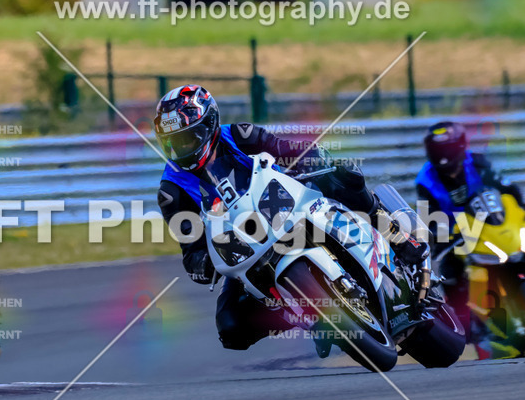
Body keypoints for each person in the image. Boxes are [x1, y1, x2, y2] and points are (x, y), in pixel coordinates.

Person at [153, 84, 427, 353]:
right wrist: (206, 262)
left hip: (287, 202)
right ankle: (308, 315)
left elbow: (285, 148)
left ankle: (397, 235)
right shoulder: (172, 191)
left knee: (344, 177)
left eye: (187, 138)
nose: (181, 148)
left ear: (209, 125)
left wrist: (313, 158)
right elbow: (192, 252)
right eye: (172, 142)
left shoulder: (239, 135)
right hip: (245, 247)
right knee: (230, 328)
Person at [415, 121, 525, 355]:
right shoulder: (425, 179)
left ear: (460, 147)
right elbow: (428, 215)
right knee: (450, 274)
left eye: (447, 149)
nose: (443, 157)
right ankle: (467, 324)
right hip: (459, 233)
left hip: (492, 224)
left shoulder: (477, 162)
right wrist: (437, 233)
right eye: (437, 151)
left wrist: (522, 204)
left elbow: (506, 188)